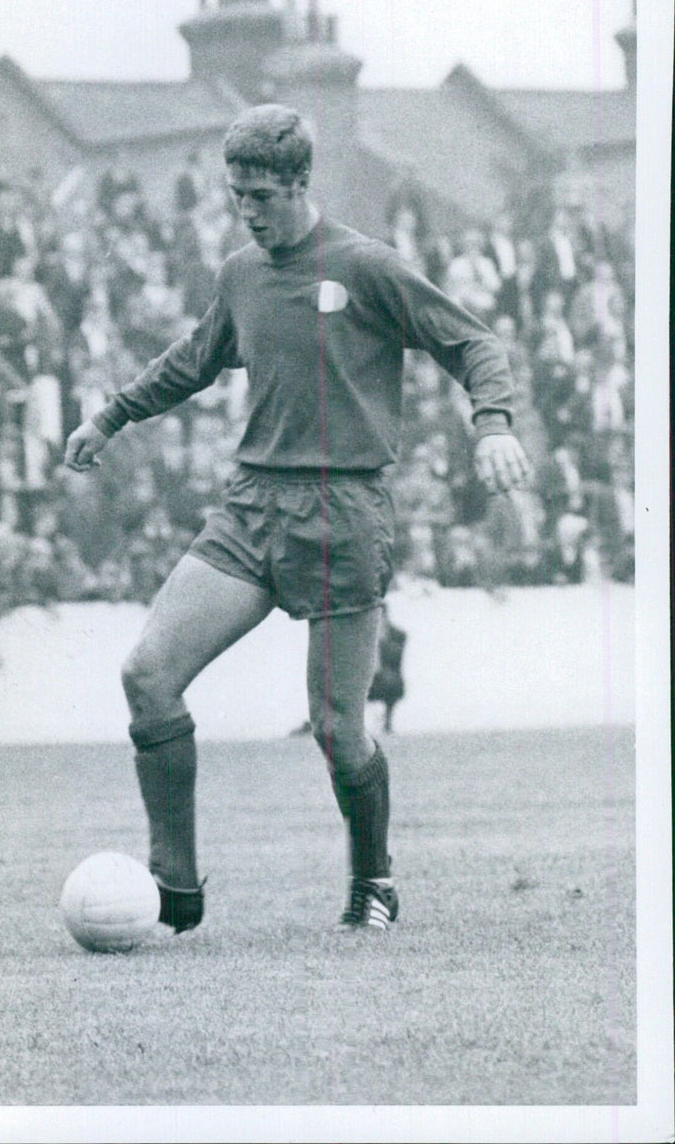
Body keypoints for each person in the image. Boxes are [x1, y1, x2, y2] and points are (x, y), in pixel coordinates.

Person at [65, 104, 530, 933]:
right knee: (147, 675)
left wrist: (491, 423)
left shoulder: (366, 265)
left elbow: (474, 344)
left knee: (337, 730)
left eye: (261, 195)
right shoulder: (242, 272)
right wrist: (110, 417)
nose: (248, 210)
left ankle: (374, 879)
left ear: (299, 183)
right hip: (251, 508)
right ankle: (174, 886)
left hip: (343, 515)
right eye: (236, 194)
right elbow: (194, 360)